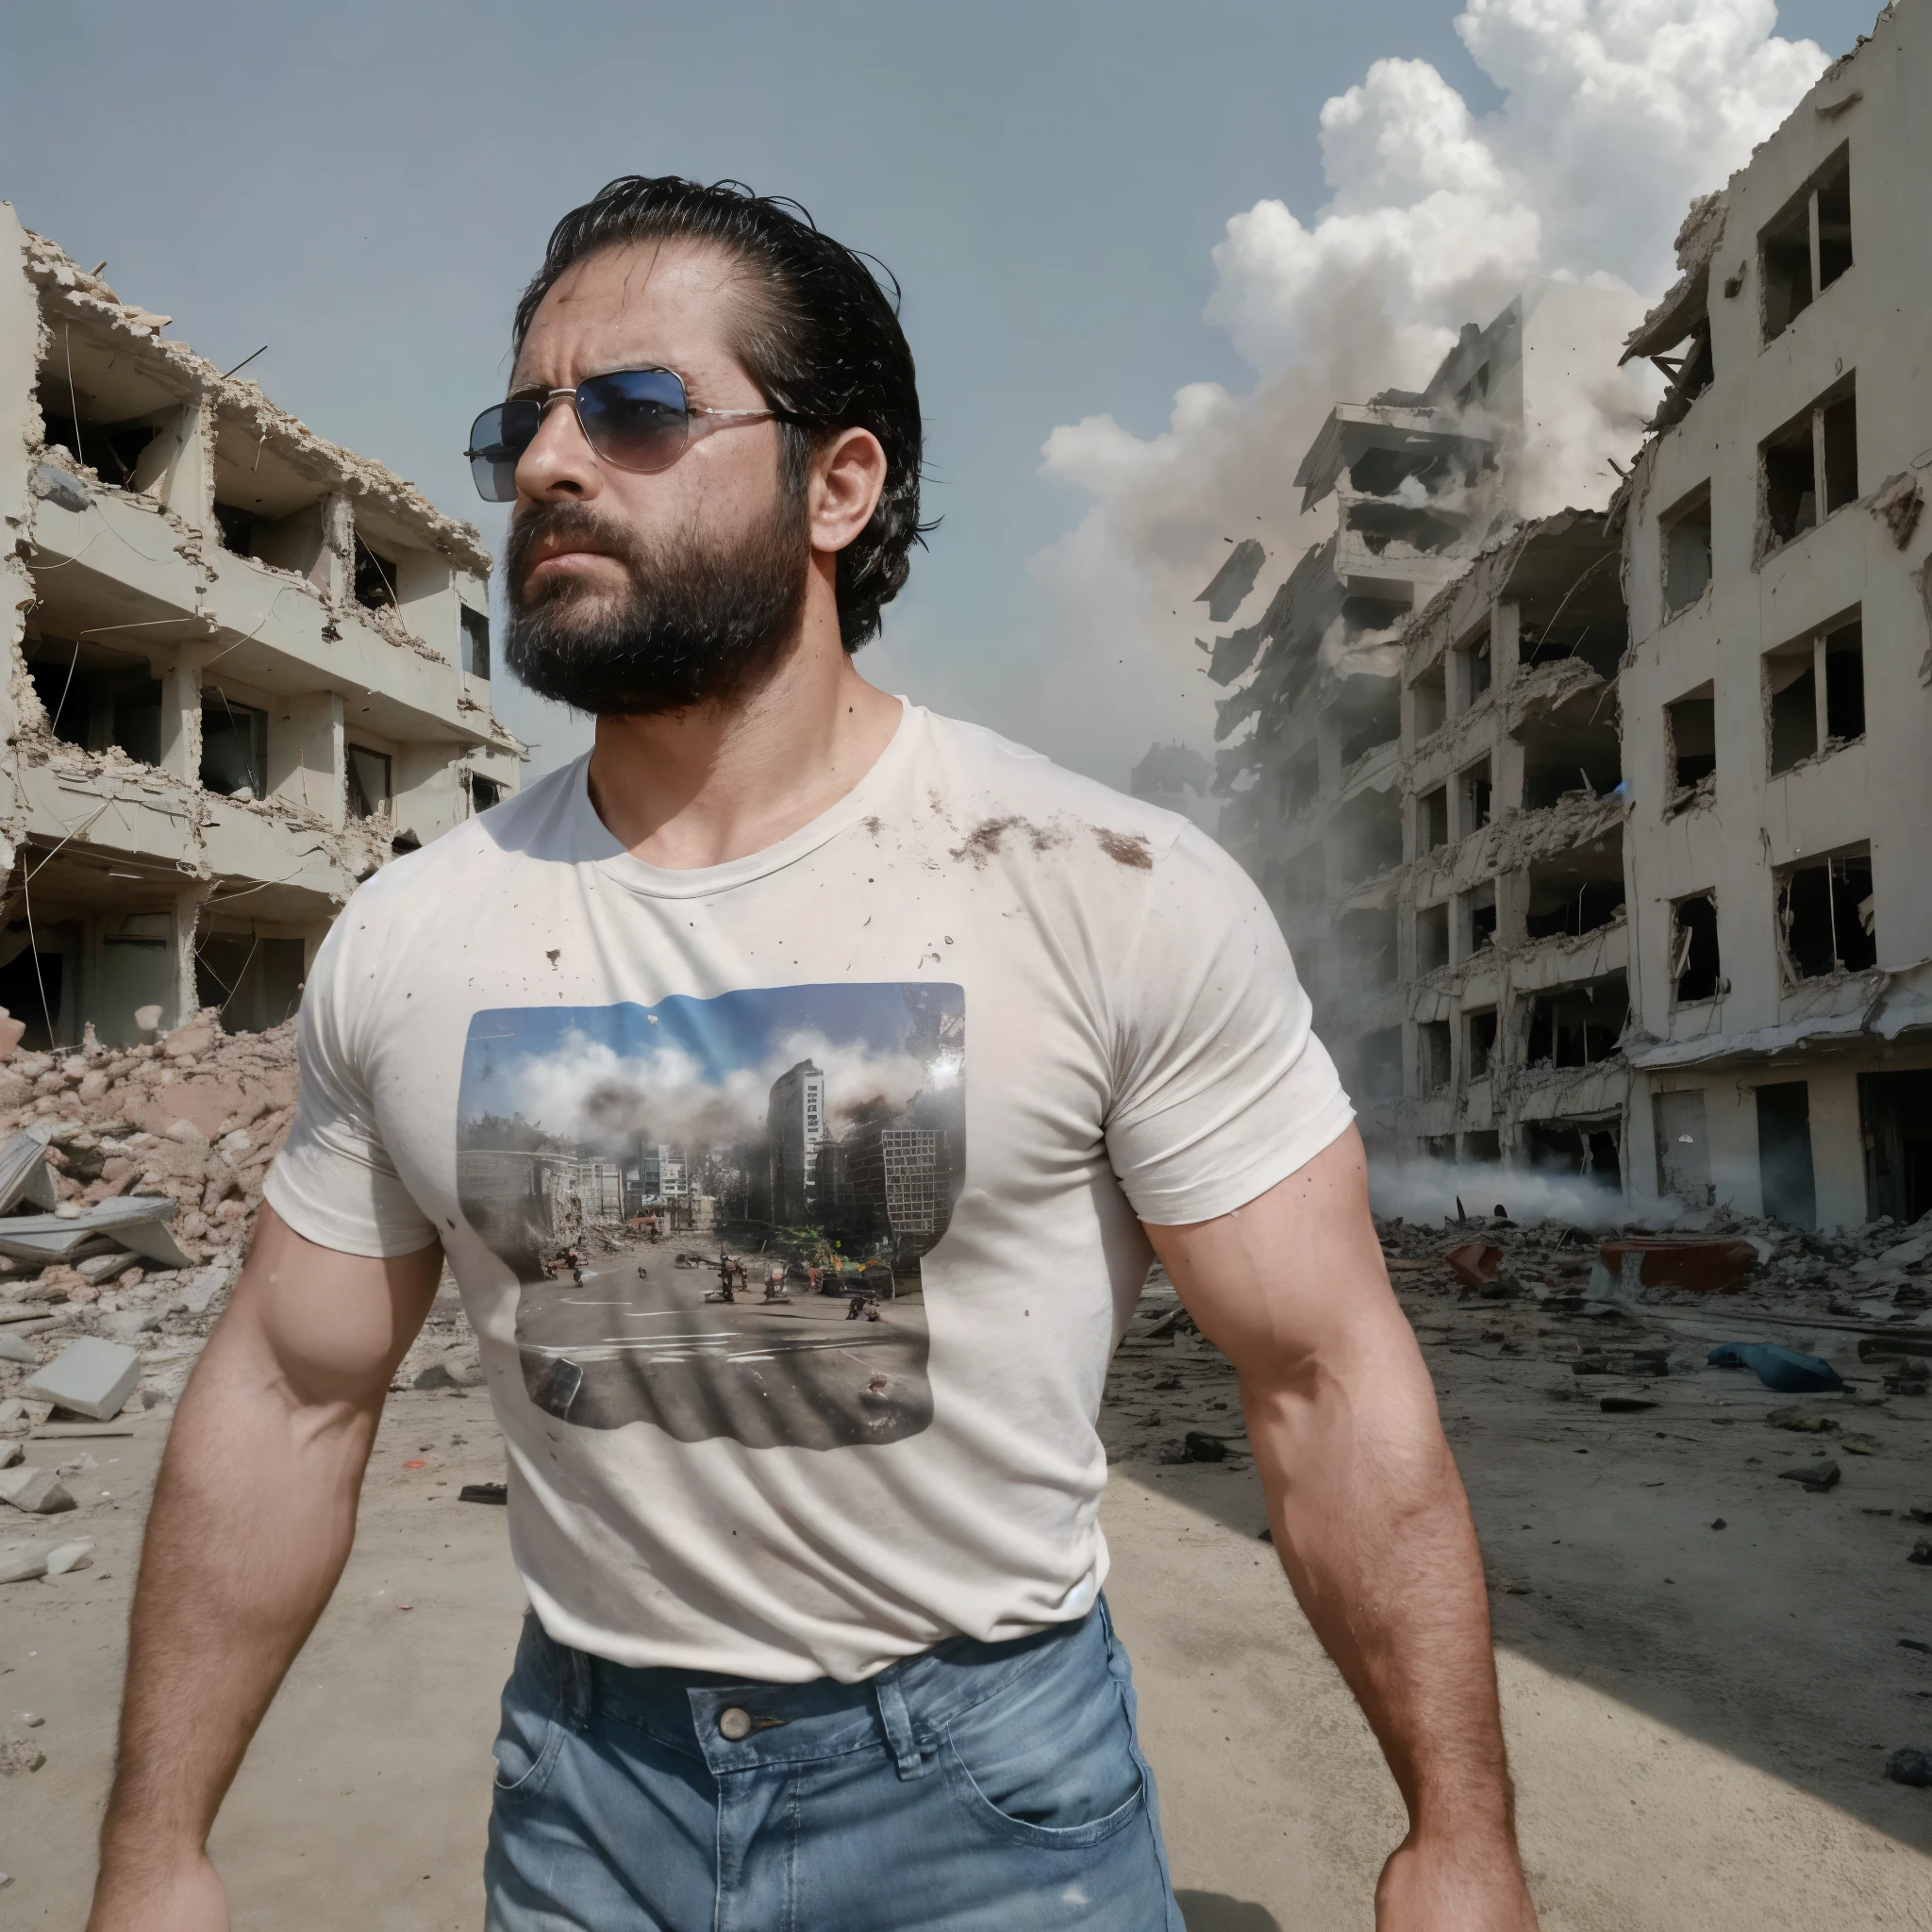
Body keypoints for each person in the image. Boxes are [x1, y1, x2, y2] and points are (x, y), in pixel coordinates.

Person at [86, 177, 1540, 1932]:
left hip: (987, 1805)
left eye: (632, 410)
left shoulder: (1110, 890)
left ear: (838, 486)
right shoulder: (413, 938)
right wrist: (156, 1849)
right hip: (584, 1800)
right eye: (521, 422)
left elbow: (1326, 1379)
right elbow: (290, 1394)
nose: (552, 461)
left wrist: (1458, 1834)